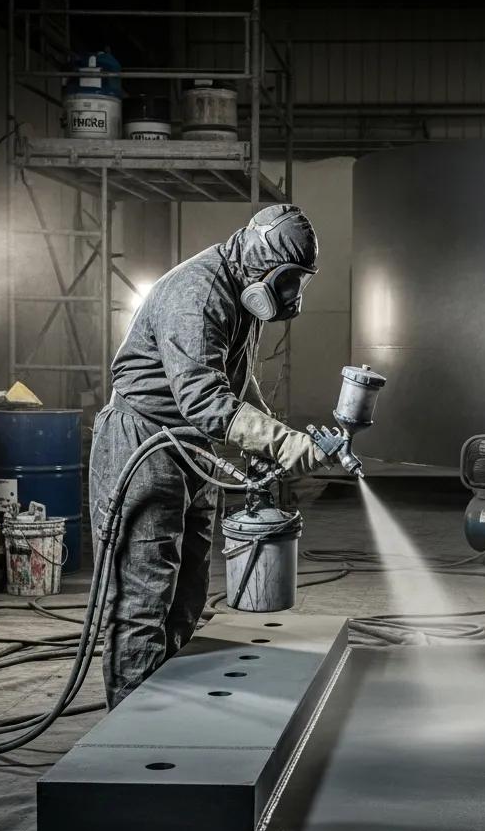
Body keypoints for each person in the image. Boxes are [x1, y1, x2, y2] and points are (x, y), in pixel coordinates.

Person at [88, 204, 329, 709]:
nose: (292, 296)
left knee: (189, 588)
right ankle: (136, 730)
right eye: (288, 281)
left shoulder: (241, 292)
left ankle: (172, 707)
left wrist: (268, 443)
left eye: (299, 283)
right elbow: (202, 399)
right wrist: (283, 443)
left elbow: (236, 383)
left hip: (188, 446)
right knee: (143, 594)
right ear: (260, 260)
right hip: (144, 442)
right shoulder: (197, 294)